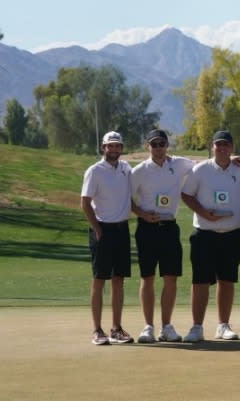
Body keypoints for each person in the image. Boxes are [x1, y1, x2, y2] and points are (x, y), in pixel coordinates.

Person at [180, 130, 240, 342]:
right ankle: (197, 327)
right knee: (200, 281)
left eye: (226, 145)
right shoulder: (201, 169)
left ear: (231, 148)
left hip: (233, 234)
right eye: (218, 144)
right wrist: (204, 213)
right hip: (205, 234)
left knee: (227, 280)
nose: (222, 148)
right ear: (212, 147)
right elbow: (186, 194)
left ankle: (223, 325)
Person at [130, 129, 194, 343]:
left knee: (170, 278)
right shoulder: (139, 170)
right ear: (147, 147)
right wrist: (142, 214)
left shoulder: (179, 164)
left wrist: (233, 159)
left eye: (162, 144)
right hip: (146, 229)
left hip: (169, 228)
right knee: (147, 278)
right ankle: (148, 326)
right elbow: (126, 198)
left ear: (167, 145)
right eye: (154, 144)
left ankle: (166, 326)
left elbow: (205, 167)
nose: (158, 148)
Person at [81, 131, 134, 345]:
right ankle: (97, 330)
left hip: (121, 230)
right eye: (110, 146)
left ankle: (116, 328)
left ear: (121, 148)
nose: (113, 150)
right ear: (103, 147)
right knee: (99, 280)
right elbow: (85, 203)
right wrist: (97, 228)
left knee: (118, 280)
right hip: (102, 230)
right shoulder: (94, 171)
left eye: (117, 146)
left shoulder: (126, 169)